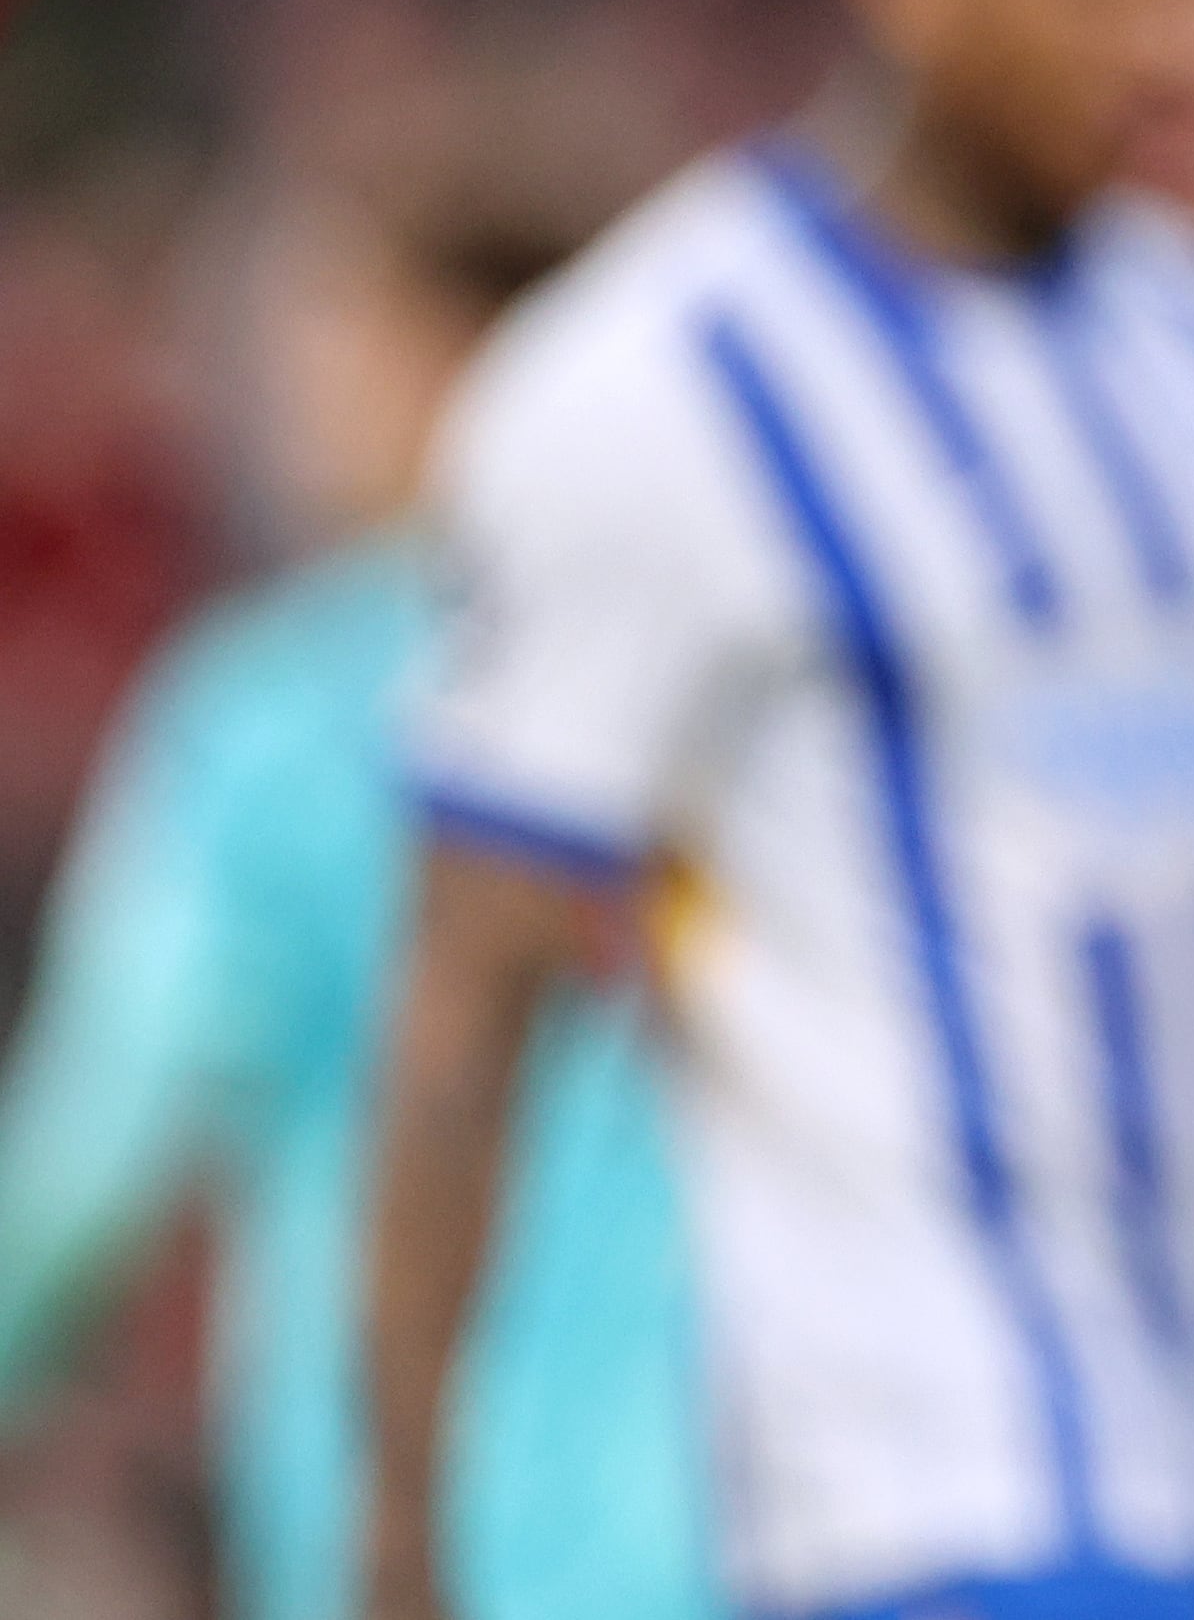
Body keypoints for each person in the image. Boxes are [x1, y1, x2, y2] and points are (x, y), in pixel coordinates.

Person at [359, 0, 1194, 1620]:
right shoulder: (655, 383)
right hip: (926, 1507)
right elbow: (460, 1010)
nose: (1170, 36)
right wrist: (400, 1540)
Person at [0, 98, 711, 1620]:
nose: (286, 399)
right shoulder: (727, 690)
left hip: (401, 1547)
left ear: (450, 356)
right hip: (749, 1532)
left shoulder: (269, 722)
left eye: (323, 339)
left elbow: (82, 1172)